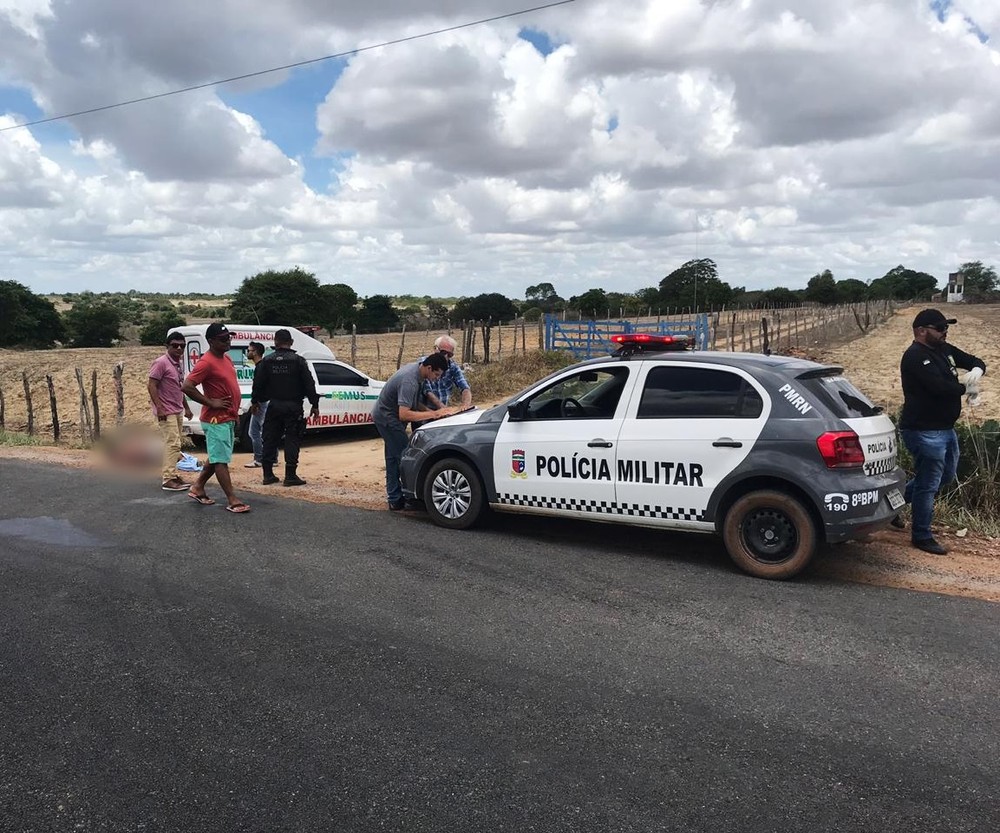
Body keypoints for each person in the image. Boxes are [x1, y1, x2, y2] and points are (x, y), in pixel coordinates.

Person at [898, 308, 986, 555]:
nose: (945, 332)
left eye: (946, 327)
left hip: (945, 428)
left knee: (945, 476)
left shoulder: (944, 349)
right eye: (939, 328)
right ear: (921, 331)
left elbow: (973, 360)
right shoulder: (915, 357)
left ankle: (892, 502)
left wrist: (977, 370)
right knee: (928, 483)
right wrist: (968, 388)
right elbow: (939, 387)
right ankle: (922, 535)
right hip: (923, 430)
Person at [181, 322, 250, 513]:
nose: (228, 341)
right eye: (223, 339)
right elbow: (187, 386)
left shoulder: (226, 358)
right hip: (215, 419)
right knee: (220, 460)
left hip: (227, 416)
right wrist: (210, 402)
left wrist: (234, 413)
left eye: (229, 337)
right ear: (211, 341)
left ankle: (198, 487)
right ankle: (232, 499)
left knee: (216, 455)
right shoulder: (206, 362)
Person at [373, 353, 456, 510]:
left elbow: (414, 403)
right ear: (429, 368)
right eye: (436, 374)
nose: (437, 379)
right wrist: (433, 414)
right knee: (406, 457)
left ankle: (395, 499)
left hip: (391, 416)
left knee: (393, 458)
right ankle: (410, 497)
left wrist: (436, 413)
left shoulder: (418, 374)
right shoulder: (409, 380)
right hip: (387, 418)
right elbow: (404, 414)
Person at [251, 328, 320, 487]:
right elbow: (309, 384)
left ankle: (268, 475)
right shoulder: (298, 361)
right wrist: (314, 404)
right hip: (293, 406)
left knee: (270, 438)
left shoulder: (266, 361)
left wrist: (255, 402)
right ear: (291, 342)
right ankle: (290, 475)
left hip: (274, 405)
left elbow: (258, 383)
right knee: (292, 438)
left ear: (275, 342)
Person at [147, 331, 194, 491]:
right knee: (172, 443)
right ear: (167, 346)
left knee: (176, 443)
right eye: (175, 345)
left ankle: (173, 474)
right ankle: (168, 478)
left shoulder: (177, 364)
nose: (179, 348)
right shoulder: (161, 363)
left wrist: (186, 407)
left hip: (177, 409)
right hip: (166, 410)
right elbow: (151, 385)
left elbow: (179, 387)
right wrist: (159, 408)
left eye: (182, 345)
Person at [422, 335, 473, 410]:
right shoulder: (424, 364)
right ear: (435, 349)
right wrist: (443, 409)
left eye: (449, 355)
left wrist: (465, 405)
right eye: (443, 352)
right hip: (424, 411)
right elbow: (427, 391)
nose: (446, 356)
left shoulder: (452, 366)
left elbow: (464, 387)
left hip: (442, 411)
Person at [243, 341, 271, 469]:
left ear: (255, 352)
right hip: (264, 402)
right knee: (266, 431)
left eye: (249, 350)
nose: (247, 352)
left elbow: (257, 387)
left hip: (261, 403)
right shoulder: (263, 366)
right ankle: (272, 457)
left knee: (254, 432)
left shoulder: (260, 367)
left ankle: (259, 459)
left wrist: (254, 403)